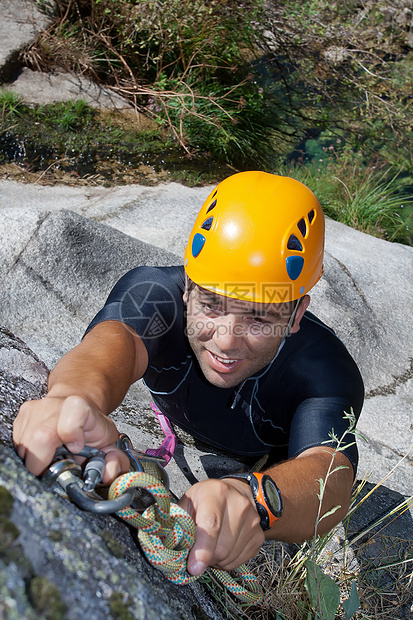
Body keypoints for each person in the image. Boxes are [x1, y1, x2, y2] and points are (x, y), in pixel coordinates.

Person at [13, 171, 364, 578]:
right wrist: (71, 399)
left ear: (297, 314)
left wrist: (258, 499)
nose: (227, 341)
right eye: (211, 305)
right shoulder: (156, 293)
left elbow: (330, 475)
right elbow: (110, 344)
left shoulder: (323, 368)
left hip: (264, 459)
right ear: (187, 288)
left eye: (259, 316)